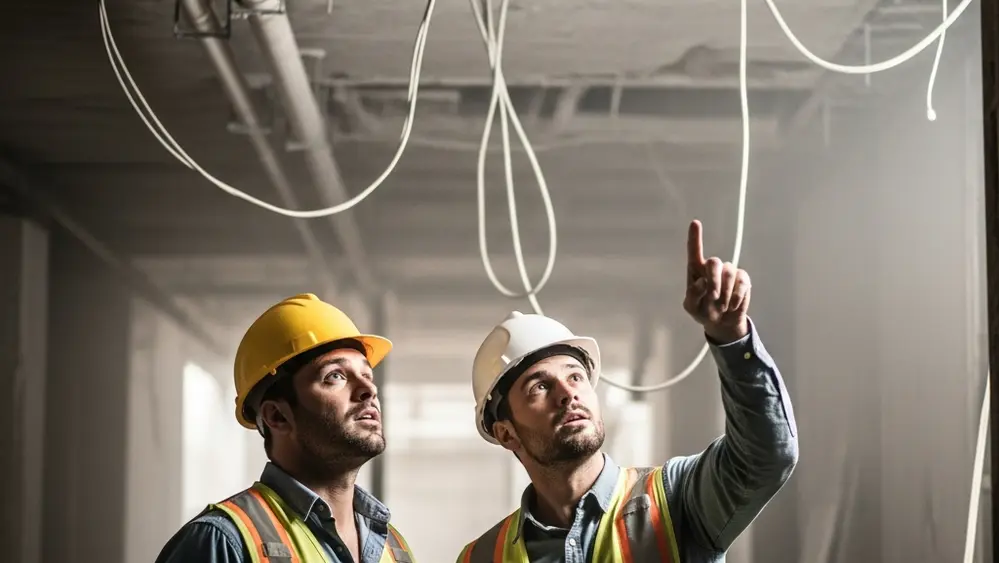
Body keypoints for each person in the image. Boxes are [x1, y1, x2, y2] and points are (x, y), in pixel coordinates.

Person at [457, 220, 799, 563]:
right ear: (506, 432)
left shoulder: (676, 500)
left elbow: (766, 458)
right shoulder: (482, 557)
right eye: (540, 386)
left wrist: (730, 337)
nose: (567, 393)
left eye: (575, 377)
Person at [155, 293, 417, 563]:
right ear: (277, 415)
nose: (368, 389)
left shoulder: (394, 550)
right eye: (335, 376)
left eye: (366, 374)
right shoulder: (222, 543)